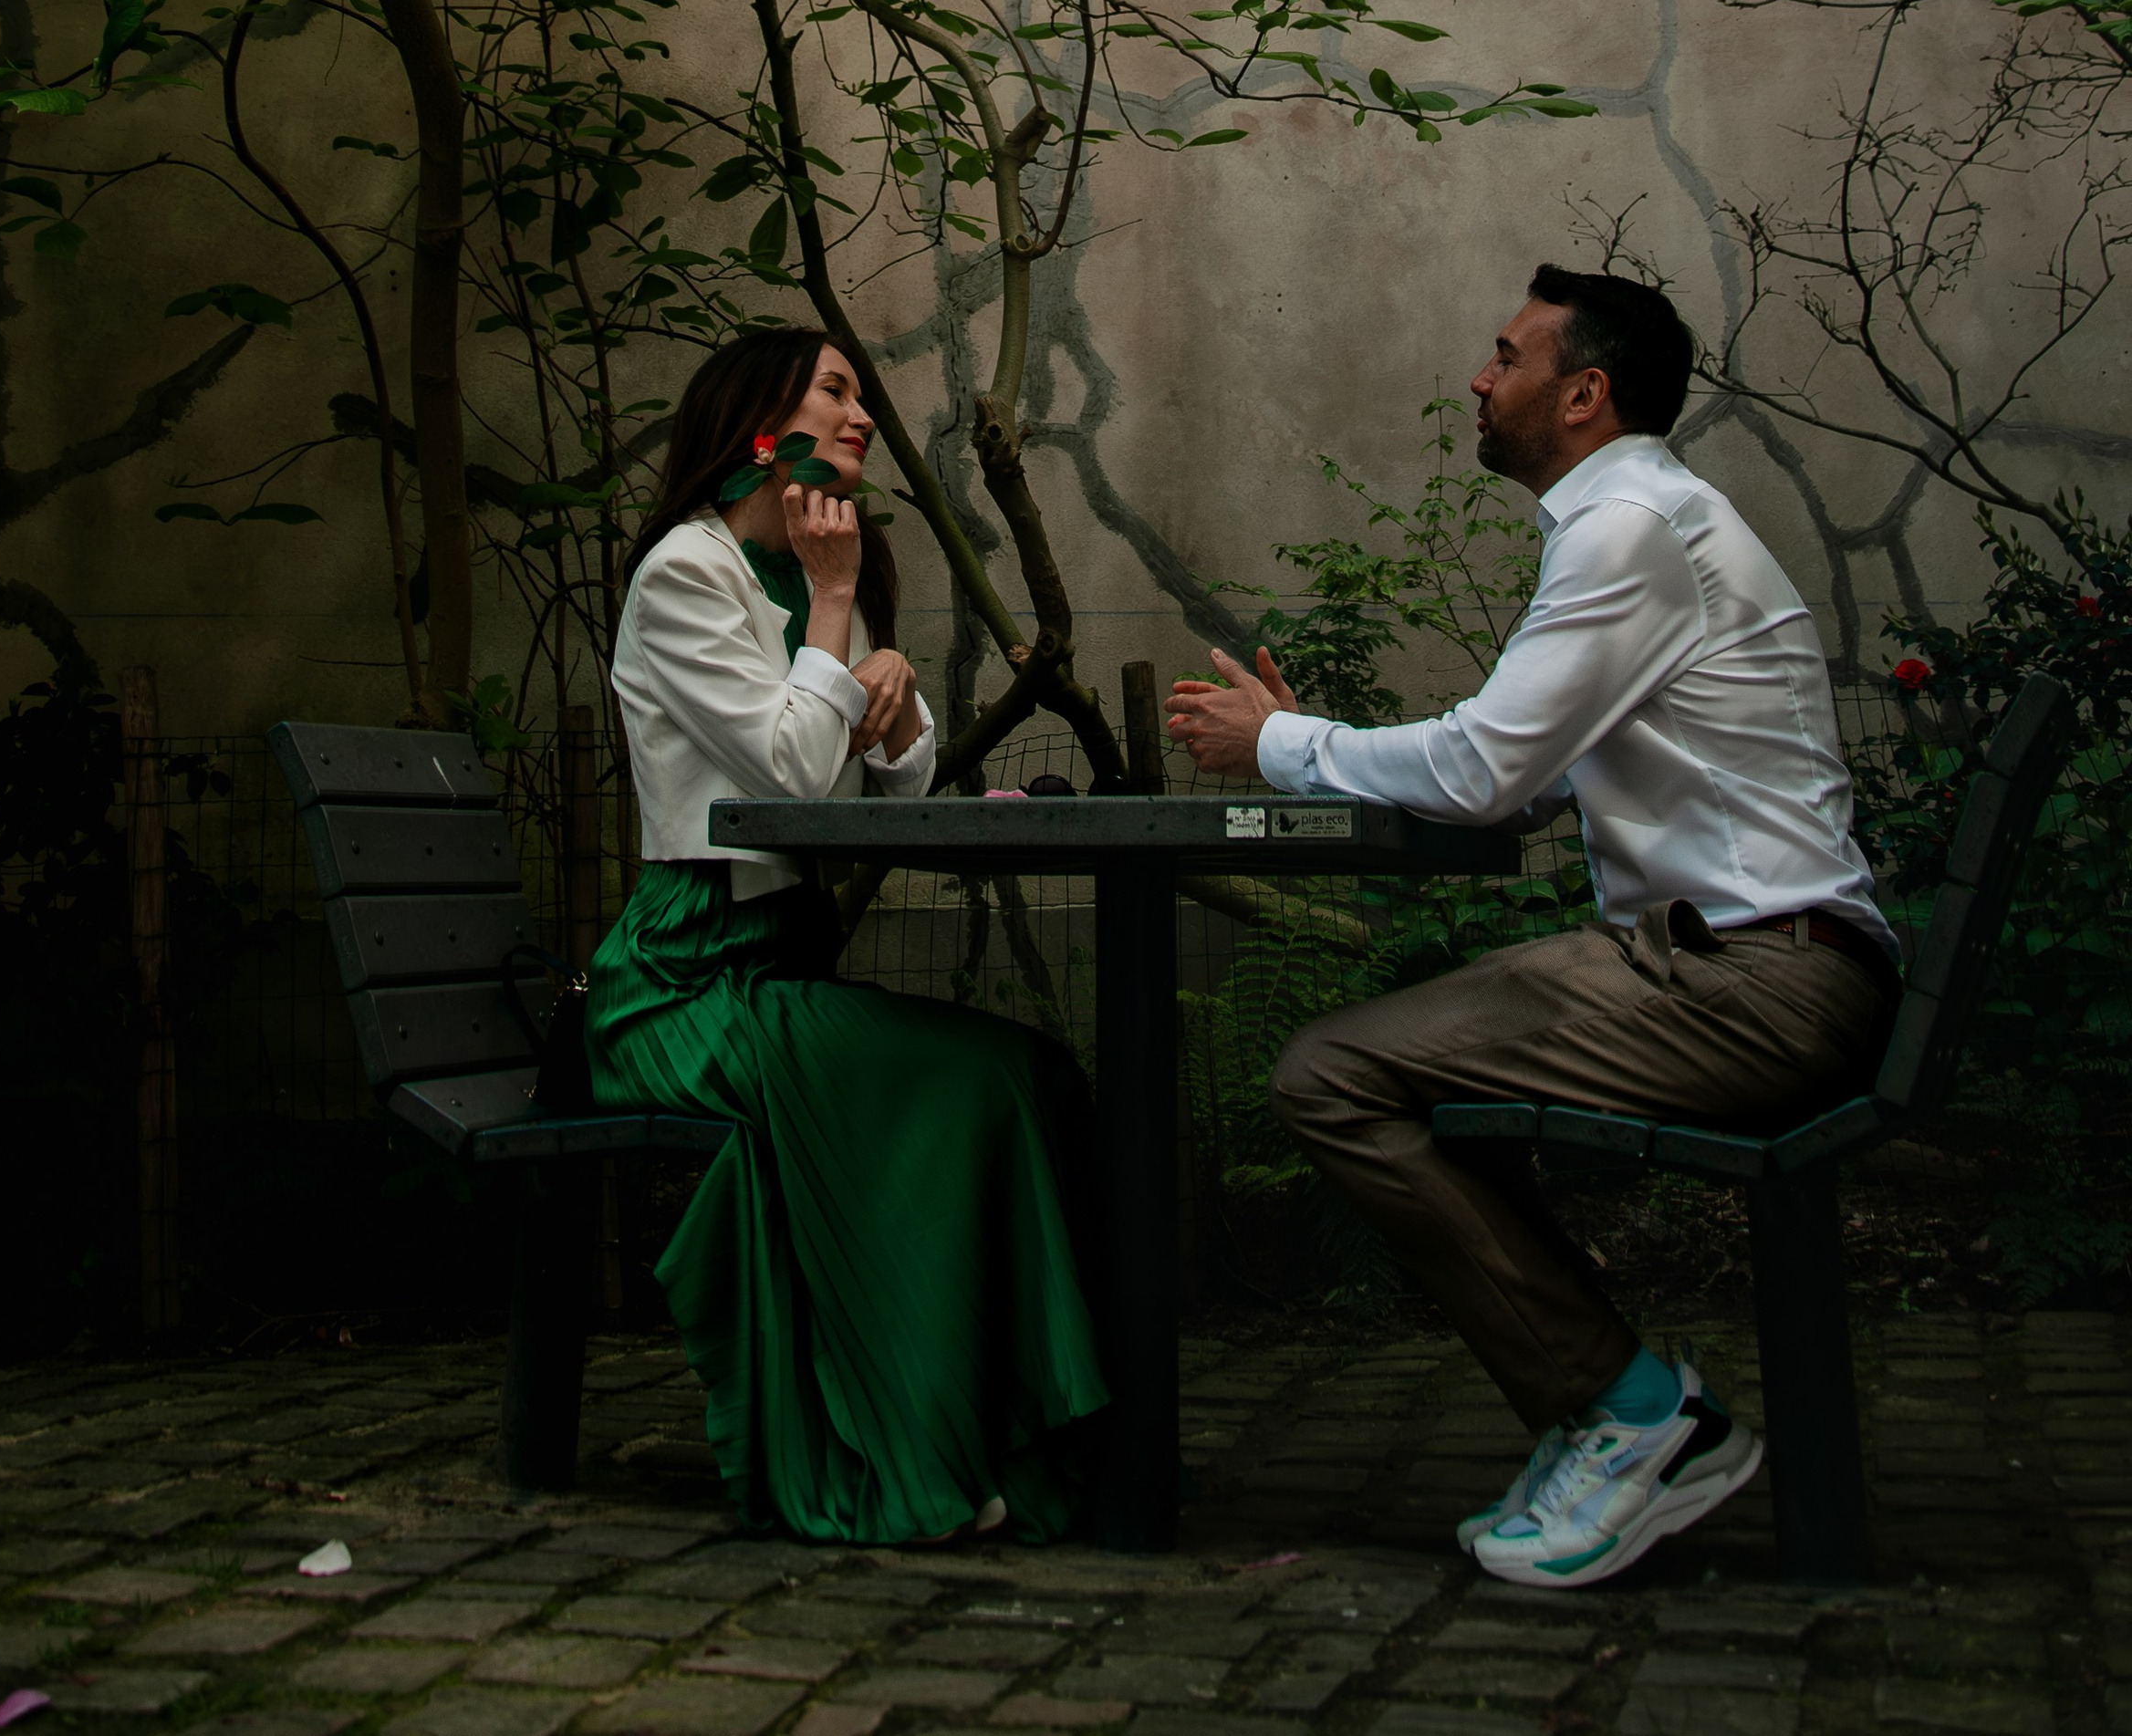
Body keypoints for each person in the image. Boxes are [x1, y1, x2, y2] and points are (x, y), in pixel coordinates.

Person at [1168, 265, 1899, 1590]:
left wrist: (1282, 744)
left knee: (1335, 1074)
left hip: (1750, 986)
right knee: (1394, 1058)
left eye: (1502, 356)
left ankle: (1633, 1418)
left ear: (1583, 392)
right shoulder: (1644, 524)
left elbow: (1479, 773)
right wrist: (1319, 744)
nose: (1476, 379)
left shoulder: (1629, 529)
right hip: (1745, 966)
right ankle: (1615, 1413)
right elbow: (1531, 769)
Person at [584, 324, 1108, 1547]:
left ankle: (997, 1423)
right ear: (764, 427)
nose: (864, 413)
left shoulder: (819, 576)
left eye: (860, 393)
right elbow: (784, 772)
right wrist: (832, 611)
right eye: (835, 391)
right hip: (681, 991)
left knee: (1027, 1072)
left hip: (775, 975)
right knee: (974, 1080)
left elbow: (898, 791)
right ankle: (914, 1437)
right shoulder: (688, 573)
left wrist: (898, 698)